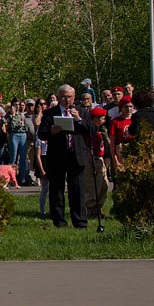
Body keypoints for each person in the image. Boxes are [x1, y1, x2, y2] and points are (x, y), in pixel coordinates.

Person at [38, 84, 90, 228]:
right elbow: (41, 134)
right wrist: (52, 132)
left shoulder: (81, 111)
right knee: (57, 190)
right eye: (64, 97)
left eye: (70, 97)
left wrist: (79, 119)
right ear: (58, 97)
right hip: (57, 155)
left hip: (76, 154)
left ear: (74, 97)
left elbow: (90, 130)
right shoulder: (50, 113)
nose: (67, 100)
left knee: (77, 190)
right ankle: (59, 221)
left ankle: (80, 221)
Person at [82, 107, 110, 218]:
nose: (104, 120)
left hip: (100, 159)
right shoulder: (90, 132)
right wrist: (91, 162)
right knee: (92, 185)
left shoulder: (100, 131)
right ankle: (91, 209)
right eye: (101, 118)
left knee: (104, 185)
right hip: (92, 160)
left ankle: (98, 208)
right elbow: (88, 148)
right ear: (94, 119)